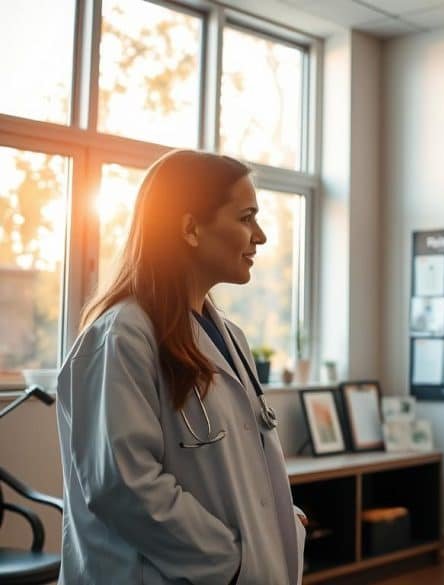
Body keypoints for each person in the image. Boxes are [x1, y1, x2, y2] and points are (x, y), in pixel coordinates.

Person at [55, 149, 306, 584]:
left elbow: (238, 468)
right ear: (190, 228)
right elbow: (123, 487)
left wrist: (279, 525)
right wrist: (230, 559)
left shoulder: (228, 336)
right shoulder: (121, 337)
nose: (260, 236)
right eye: (246, 217)